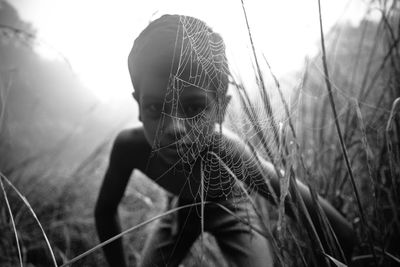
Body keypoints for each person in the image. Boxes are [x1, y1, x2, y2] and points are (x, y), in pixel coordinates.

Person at [95, 14, 356, 267]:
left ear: (220, 109)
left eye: (194, 107)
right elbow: (105, 211)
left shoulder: (231, 152)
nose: (174, 128)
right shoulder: (128, 148)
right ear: (138, 107)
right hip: (180, 209)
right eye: (154, 107)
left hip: (232, 205)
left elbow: (338, 230)